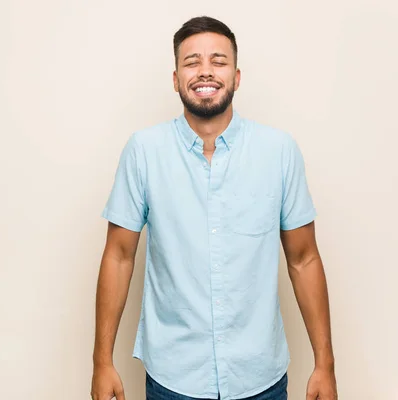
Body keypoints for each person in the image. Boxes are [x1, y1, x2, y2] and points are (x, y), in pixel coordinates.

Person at [91, 16, 337, 400]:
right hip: (173, 379)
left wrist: (325, 365)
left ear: (237, 77)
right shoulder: (144, 151)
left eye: (218, 61)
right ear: (175, 79)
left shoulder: (279, 151)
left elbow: (304, 259)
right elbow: (119, 257)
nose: (205, 71)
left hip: (260, 379)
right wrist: (101, 362)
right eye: (191, 62)